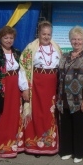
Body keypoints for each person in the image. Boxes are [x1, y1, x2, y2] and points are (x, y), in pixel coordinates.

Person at [19, 21, 61, 157]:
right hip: (37, 86)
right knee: (37, 113)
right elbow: (23, 69)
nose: (46, 37)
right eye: (44, 34)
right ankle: (36, 145)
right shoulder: (31, 48)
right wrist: (25, 88)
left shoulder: (56, 48)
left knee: (51, 114)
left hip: (52, 86)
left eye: (49, 34)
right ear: (39, 33)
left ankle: (50, 144)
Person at [56, 26, 83, 163]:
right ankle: (66, 150)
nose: (76, 42)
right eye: (74, 39)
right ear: (70, 40)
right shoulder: (64, 57)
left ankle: (78, 153)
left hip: (79, 98)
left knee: (79, 126)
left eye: (79, 39)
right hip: (64, 97)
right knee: (65, 124)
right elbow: (59, 76)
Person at [0, 26, 24, 158]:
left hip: (15, 88)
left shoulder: (17, 53)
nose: (8, 40)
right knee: (1, 117)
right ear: (0, 38)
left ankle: (12, 145)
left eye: (11, 38)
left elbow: (22, 71)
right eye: (6, 37)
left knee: (13, 116)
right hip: (2, 88)